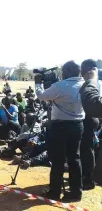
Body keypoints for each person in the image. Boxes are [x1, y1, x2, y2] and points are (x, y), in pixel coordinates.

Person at [35, 60, 85, 202]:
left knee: (58, 160)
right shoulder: (84, 85)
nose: (62, 73)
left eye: (63, 71)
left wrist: (38, 83)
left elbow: (42, 96)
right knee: (75, 158)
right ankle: (76, 193)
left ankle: (54, 192)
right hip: (78, 125)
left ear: (68, 71)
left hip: (60, 127)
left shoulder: (61, 86)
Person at [79, 59, 101, 190]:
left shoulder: (91, 82)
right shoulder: (97, 81)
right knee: (88, 149)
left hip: (89, 117)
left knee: (86, 149)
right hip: (94, 119)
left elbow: (93, 103)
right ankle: (87, 176)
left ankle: (87, 178)